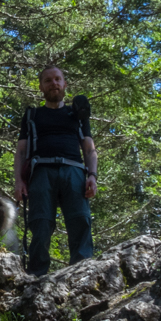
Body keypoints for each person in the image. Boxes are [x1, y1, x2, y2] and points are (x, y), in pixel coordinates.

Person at [13, 66, 97, 276]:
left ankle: (82, 273)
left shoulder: (77, 114)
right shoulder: (32, 115)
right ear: (41, 86)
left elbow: (89, 149)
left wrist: (93, 176)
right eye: (48, 80)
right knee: (40, 224)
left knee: (80, 220)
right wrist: (19, 181)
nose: (54, 84)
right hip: (41, 172)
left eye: (58, 79)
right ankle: (37, 277)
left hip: (74, 171)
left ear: (65, 84)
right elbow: (21, 151)